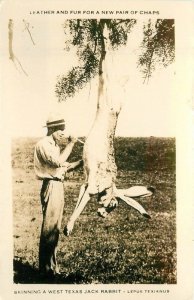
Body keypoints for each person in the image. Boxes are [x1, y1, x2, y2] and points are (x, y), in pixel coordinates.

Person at [34, 114, 82, 281]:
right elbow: (58, 162)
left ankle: (52, 269)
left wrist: (83, 161)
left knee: (55, 229)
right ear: (52, 129)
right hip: (51, 186)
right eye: (60, 130)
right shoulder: (43, 145)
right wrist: (72, 143)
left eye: (63, 129)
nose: (63, 133)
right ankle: (46, 271)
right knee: (49, 229)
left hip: (58, 185)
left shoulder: (53, 145)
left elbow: (63, 168)